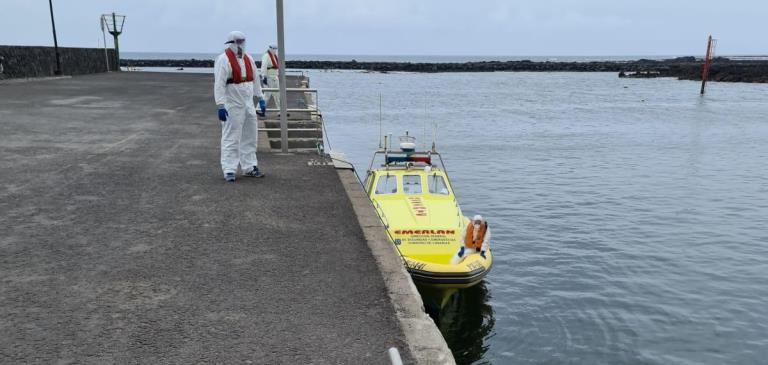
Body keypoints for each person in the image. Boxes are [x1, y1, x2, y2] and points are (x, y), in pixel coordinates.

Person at [213, 31, 267, 182]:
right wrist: (220, 105)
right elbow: (219, 84)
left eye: (243, 40)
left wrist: (260, 98)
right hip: (232, 104)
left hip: (248, 103)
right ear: (231, 42)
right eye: (238, 41)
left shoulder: (248, 58)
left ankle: (249, 166)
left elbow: (255, 79)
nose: (241, 44)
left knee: (250, 136)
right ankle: (229, 169)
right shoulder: (223, 60)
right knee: (231, 137)